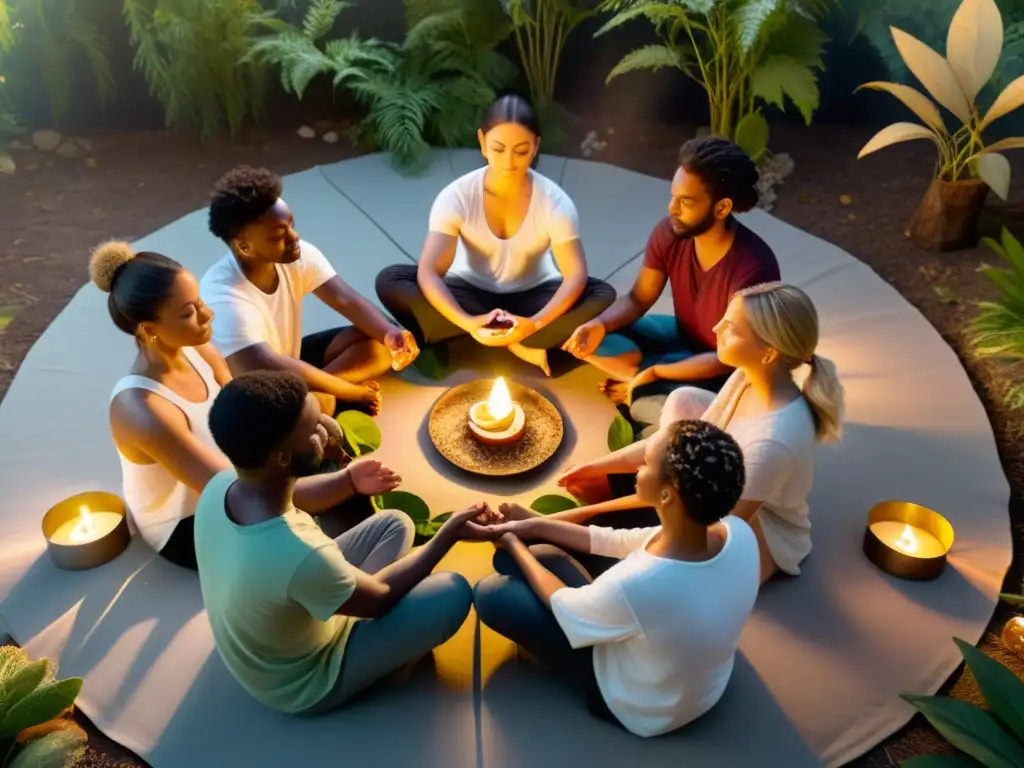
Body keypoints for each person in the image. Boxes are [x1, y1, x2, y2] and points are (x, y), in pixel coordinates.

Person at [195, 369, 500, 715]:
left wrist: (349, 480)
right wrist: (450, 533)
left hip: (283, 622)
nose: (324, 430)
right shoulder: (297, 552)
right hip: (301, 682)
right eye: (312, 430)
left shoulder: (220, 485)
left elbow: (298, 500)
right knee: (453, 591)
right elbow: (379, 600)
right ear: (281, 458)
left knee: (394, 524)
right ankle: (381, 668)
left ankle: (361, 624)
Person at [92, 241, 396, 571]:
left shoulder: (198, 350)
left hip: (238, 470)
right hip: (194, 522)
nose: (207, 314)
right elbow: (241, 495)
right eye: (188, 312)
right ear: (150, 330)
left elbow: (248, 411)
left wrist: (305, 427)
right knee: (321, 537)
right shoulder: (143, 410)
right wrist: (345, 483)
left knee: (315, 444)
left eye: (200, 301)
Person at [473, 420, 759, 738]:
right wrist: (534, 525)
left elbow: (563, 604)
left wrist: (513, 542)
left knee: (492, 593)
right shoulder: (736, 532)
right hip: (697, 685)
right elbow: (612, 540)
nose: (637, 470)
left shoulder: (641, 583)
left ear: (667, 493)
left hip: (640, 706)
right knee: (540, 555)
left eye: (646, 464)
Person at [554, 282, 845, 583]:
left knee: (657, 575)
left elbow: (704, 527)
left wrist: (580, 519)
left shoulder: (772, 441)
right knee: (681, 398)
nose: (716, 328)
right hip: (718, 486)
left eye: (731, 328)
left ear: (769, 353)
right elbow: (677, 444)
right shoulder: (747, 375)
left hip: (753, 530)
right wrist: (595, 467)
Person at [375, 94, 615, 377]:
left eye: (521, 150)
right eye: (499, 149)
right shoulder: (457, 196)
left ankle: (474, 343)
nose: (509, 162)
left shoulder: (555, 202)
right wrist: (467, 322)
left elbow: (575, 275)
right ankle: (518, 346)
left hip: (533, 298)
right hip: (468, 294)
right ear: (482, 142)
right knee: (392, 280)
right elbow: (429, 270)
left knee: (602, 294)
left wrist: (535, 324)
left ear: (536, 145)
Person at [561, 137, 780, 409]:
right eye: (672, 196)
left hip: (723, 367)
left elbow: (729, 358)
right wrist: (599, 325)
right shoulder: (669, 233)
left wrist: (655, 373)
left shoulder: (753, 269)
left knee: (664, 412)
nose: (671, 208)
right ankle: (645, 383)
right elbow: (638, 299)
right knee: (582, 324)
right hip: (680, 336)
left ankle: (649, 387)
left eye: (685, 202)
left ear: (721, 208)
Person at [201, 165, 419, 417]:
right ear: (245, 247)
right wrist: (354, 392)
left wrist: (390, 334)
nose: (294, 238)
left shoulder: (296, 254)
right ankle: (320, 400)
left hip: (288, 360)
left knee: (379, 343)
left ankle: (322, 392)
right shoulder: (223, 298)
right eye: (278, 235)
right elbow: (268, 366)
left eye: (291, 225)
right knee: (308, 411)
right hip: (257, 393)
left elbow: (344, 298)